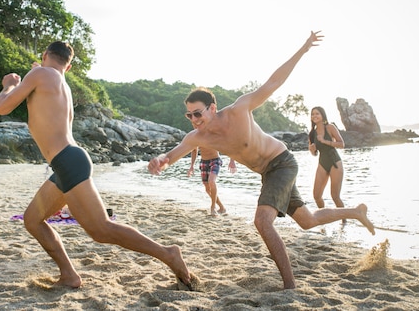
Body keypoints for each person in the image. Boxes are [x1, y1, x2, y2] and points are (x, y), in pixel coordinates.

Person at [148, 31, 375, 290]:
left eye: (197, 113)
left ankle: (290, 285)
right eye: (189, 115)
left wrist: (303, 49)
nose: (194, 119)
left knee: (261, 221)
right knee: (307, 221)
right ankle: (356, 212)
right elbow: (172, 155)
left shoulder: (239, 110)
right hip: (268, 174)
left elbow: (273, 82)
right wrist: (160, 161)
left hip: (282, 162)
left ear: (212, 108)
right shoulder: (197, 137)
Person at [0, 41, 193, 289]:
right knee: (32, 219)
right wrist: (36, 72)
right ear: (68, 66)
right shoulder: (56, 80)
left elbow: (3, 106)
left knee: (101, 230)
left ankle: (168, 253)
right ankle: (69, 275)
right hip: (66, 163)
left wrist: (10, 84)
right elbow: (41, 86)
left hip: (68, 162)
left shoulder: (41, 74)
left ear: (45, 55)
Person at [308, 106, 345, 209]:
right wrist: (312, 150)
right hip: (322, 162)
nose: (314, 116)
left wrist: (325, 141)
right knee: (317, 196)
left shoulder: (330, 127)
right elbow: (314, 154)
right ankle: (323, 218)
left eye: (317, 113)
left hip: (335, 162)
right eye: (312, 114)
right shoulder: (312, 133)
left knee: (335, 197)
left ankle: (344, 221)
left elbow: (341, 144)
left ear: (322, 115)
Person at [187, 143, 236, 216]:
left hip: (215, 161)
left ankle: (213, 207)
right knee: (207, 189)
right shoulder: (197, 136)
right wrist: (191, 166)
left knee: (212, 181)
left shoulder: (212, 133)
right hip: (203, 162)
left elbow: (229, 146)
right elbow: (194, 150)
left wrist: (232, 161)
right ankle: (222, 207)